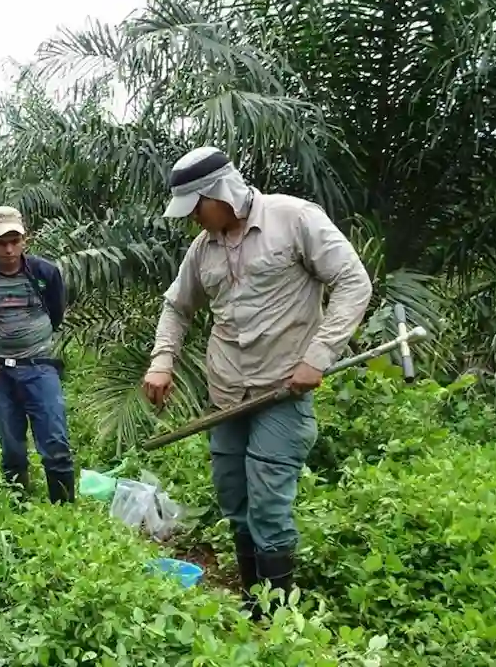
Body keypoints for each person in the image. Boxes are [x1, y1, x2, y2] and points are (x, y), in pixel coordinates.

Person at [141, 146, 372, 619]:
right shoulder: (202, 249)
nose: (192, 221)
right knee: (234, 498)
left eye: (195, 209)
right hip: (226, 392)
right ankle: (253, 603)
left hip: (281, 391)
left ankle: (278, 619)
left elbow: (353, 282)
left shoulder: (294, 219)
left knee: (268, 507)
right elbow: (176, 306)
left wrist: (318, 357)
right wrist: (162, 360)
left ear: (218, 193)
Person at [0, 205, 76, 504]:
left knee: (55, 441)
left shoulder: (45, 273)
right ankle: (18, 507)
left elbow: (56, 315)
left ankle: (64, 509)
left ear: (25, 239)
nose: (10, 249)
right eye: (2, 242)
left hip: (40, 367)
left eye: (15, 241)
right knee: (11, 446)